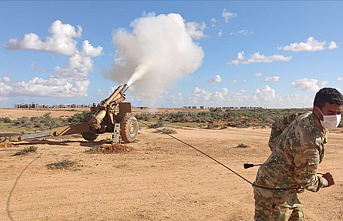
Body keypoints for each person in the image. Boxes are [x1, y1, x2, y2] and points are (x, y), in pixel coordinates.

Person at [253, 87, 343, 221]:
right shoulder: (310, 140)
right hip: (273, 192)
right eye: (330, 112)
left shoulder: (307, 116)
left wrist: (280, 153)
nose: (335, 117)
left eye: (339, 112)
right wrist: (324, 181)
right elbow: (306, 180)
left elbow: (278, 124)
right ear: (316, 110)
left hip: (287, 190)